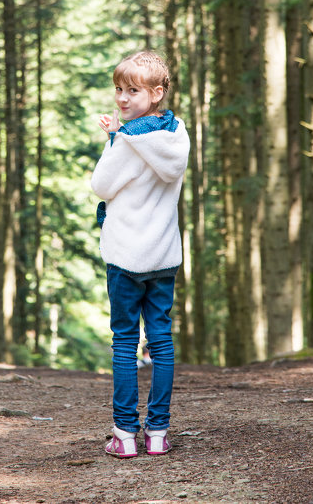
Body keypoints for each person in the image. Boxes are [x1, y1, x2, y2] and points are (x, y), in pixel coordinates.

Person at [91, 50, 190, 459]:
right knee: (162, 342)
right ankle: (159, 433)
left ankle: (126, 434)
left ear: (157, 92)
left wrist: (115, 139)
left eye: (132, 90)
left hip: (126, 257)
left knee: (125, 342)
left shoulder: (129, 139)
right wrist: (120, 134)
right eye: (119, 89)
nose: (122, 98)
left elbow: (102, 185)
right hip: (163, 255)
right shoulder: (177, 133)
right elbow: (164, 172)